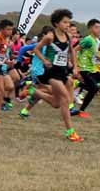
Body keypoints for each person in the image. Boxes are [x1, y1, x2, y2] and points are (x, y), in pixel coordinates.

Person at [32, 9, 84, 142]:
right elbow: (36, 49)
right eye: (64, 22)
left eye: (69, 22)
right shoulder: (50, 37)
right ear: (56, 23)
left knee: (56, 103)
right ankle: (70, 132)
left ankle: (35, 92)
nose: (68, 25)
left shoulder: (68, 37)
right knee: (65, 99)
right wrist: (44, 60)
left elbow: (72, 52)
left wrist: (75, 67)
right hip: (51, 73)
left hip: (63, 72)